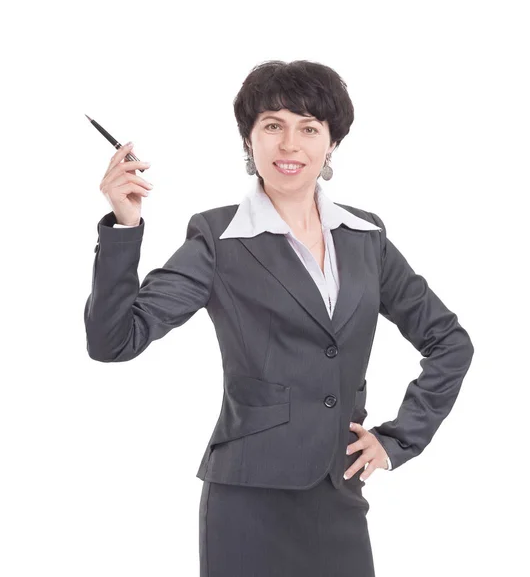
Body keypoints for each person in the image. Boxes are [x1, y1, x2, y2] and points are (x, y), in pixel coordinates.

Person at [85, 60, 474, 577]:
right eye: (272, 125)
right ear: (250, 141)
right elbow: (114, 340)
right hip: (247, 502)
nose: (290, 144)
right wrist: (125, 225)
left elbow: (449, 341)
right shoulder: (217, 238)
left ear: (330, 144)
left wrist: (399, 438)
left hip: (340, 492)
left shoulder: (367, 237)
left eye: (309, 128)